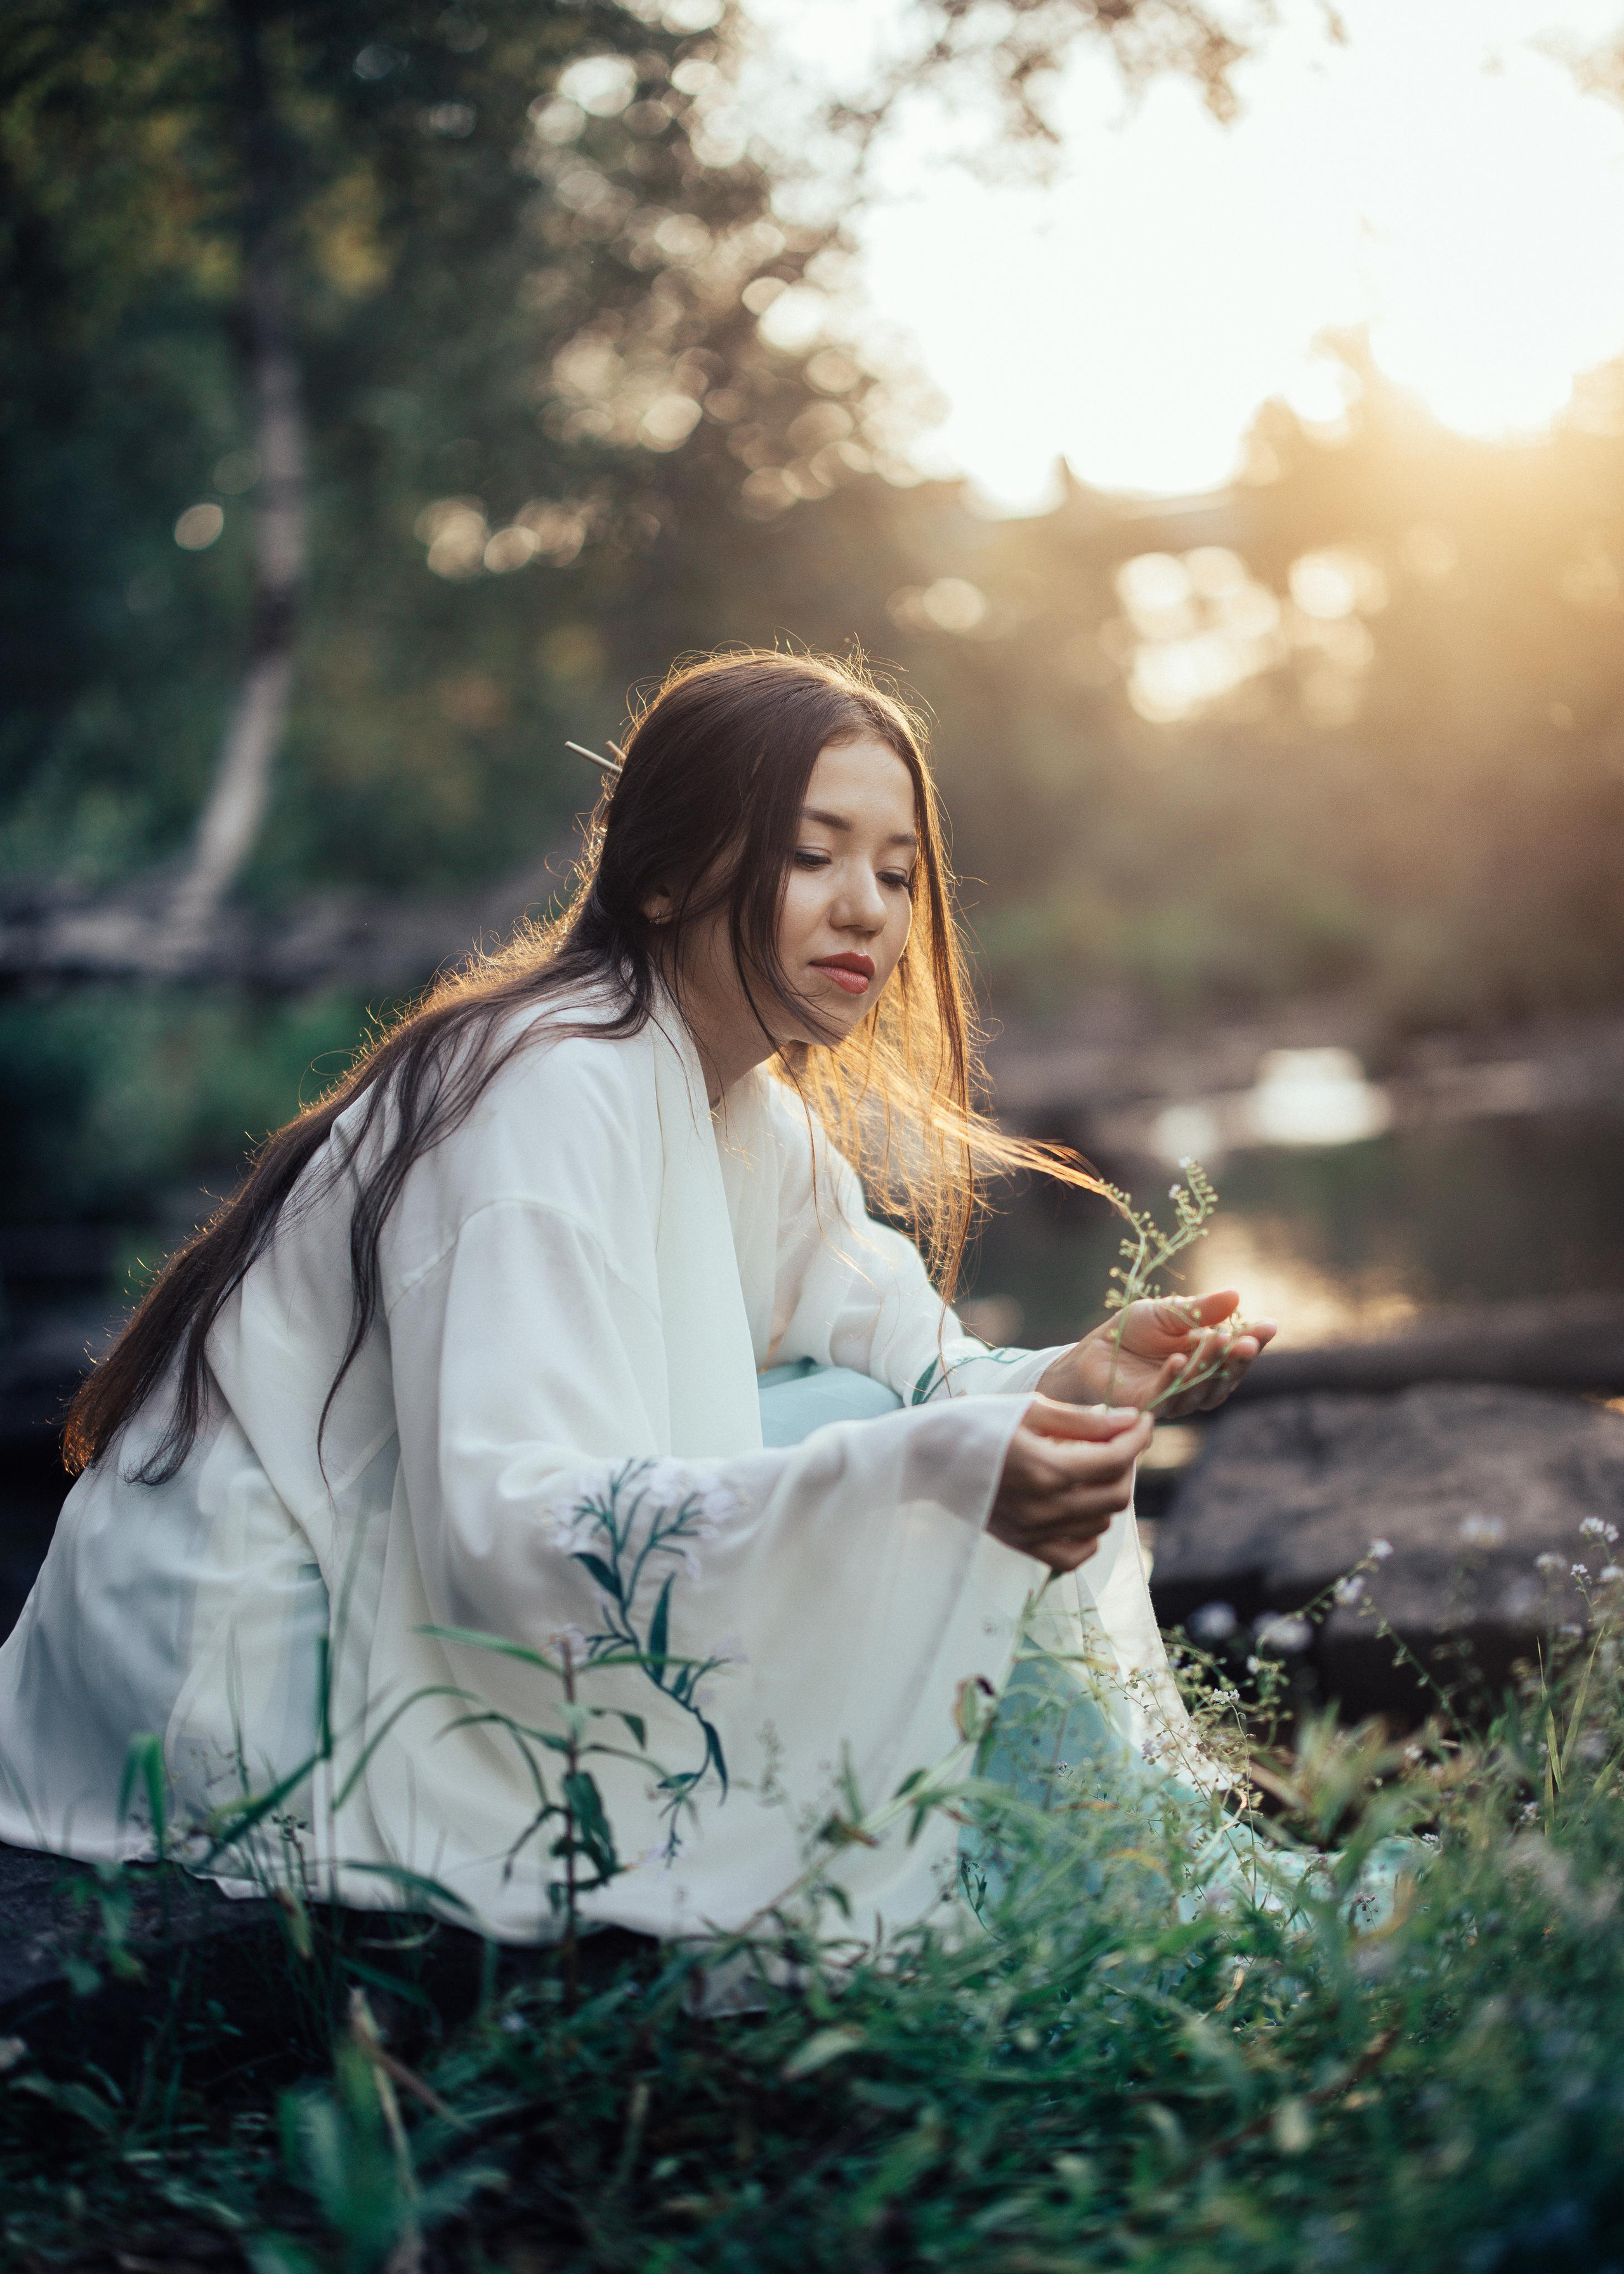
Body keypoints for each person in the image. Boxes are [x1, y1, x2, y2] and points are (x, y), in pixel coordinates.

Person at [0, 651, 1273, 1946]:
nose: (867, 912)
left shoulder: (746, 1110)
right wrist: (930, 1475)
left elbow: (910, 1363)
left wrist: (1069, 1386)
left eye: (895, 872)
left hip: (397, 1564)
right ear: (661, 874)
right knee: (894, 1472)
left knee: (867, 1424)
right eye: (811, 855)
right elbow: (508, 1525)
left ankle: (1118, 1899)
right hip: (245, 1666)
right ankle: (1121, 1922)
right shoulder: (542, 1090)